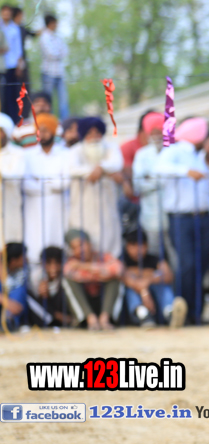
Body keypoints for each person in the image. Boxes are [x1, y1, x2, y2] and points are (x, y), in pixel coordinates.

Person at [155, 118, 209, 324]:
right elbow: (159, 168)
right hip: (181, 218)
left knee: (202, 265)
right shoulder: (174, 151)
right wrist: (185, 172)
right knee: (187, 264)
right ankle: (183, 308)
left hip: (204, 217)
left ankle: (196, 312)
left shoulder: (197, 156)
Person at [66, 117, 123, 259]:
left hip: (107, 209)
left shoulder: (110, 148)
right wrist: (93, 171)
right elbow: (72, 169)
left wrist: (101, 168)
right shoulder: (75, 151)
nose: (94, 137)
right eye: (89, 133)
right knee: (85, 246)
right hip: (83, 209)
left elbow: (117, 163)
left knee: (109, 247)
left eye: (97, 133)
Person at [20, 113, 67, 272]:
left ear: (53, 132)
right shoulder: (27, 155)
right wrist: (52, 183)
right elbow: (26, 184)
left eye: (46, 130)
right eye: (39, 130)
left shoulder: (64, 153)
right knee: (35, 245)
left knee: (58, 242)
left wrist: (40, 181)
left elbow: (65, 183)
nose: (42, 134)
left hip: (58, 207)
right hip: (34, 209)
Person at [121, 228, 184, 328]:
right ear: (127, 246)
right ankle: (142, 314)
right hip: (136, 299)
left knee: (162, 285)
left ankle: (170, 312)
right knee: (130, 289)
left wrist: (148, 280)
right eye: (133, 245)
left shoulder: (154, 259)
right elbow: (125, 278)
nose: (137, 249)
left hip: (154, 299)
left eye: (141, 245)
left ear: (147, 246)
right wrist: (144, 290)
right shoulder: (123, 260)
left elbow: (169, 275)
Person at [62, 229, 123, 330]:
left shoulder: (104, 256)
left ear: (89, 243)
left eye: (81, 245)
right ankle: (90, 320)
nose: (79, 250)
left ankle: (105, 320)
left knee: (115, 280)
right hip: (87, 303)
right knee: (68, 282)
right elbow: (67, 272)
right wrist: (101, 272)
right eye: (74, 248)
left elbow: (118, 269)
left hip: (102, 301)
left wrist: (83, 266)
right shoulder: (71, 261)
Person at [131, 112, 170, 257]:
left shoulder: (172, 151)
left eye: (160, 131)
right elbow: (138, 185)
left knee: (175, 253)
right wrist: (161, 180)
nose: (157, 135)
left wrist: (150, 177)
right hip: (151, 215)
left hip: (172, 214)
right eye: (153, 132)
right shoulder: (142, 155)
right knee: (155, 254)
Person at [38, 14, 66, 119]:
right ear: (50, 24)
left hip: (59, 72)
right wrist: (58, 54)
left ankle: (64, 120)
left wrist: (57, 53)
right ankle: (49, 120)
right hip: (48, 72)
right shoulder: (44, 37)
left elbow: (65, 51)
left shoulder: (57, 37)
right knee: (48, 100)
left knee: (63, 100)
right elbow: (50, 54)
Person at [0, 5, 24, 122]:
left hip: (11, 65)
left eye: (8, 12)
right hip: (1, 64)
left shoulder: (15, 28)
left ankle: (12, 120)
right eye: (4, 12)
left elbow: (18, 49)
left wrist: (19, 65)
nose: (6, 14)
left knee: (11, 94)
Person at [1, 241, 28, 330]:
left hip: (8, 309)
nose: (26, 259)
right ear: (13, 261)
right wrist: (3, 300)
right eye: (23, 257)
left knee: (20, 289)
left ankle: (8, 321)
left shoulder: (19, 272)